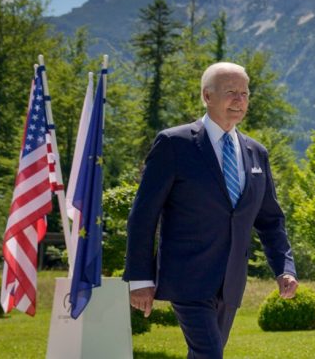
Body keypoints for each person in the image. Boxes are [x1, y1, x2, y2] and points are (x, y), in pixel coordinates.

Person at [123, 62, 298, 358]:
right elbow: (143, 215)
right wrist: (141, 279)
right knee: (209, 354)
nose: (239, 101)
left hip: (231, 283)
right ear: (207, 96)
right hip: (187, 279)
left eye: (245, 93)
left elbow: (270, 220)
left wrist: (284, 268)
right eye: (231, 92)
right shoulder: (174, 144)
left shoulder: (257, 153)